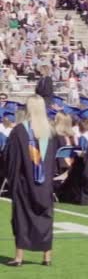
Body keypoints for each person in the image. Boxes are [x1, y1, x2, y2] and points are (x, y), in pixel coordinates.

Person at [5, 95, 58, 266]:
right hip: (45, 184)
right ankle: (47, 257)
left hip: (24, 184)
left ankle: (19, 257)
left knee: (22, 218)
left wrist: (12, 181)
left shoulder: (20, 131)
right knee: (46, 218)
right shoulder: (50, 132)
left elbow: (11, 159)